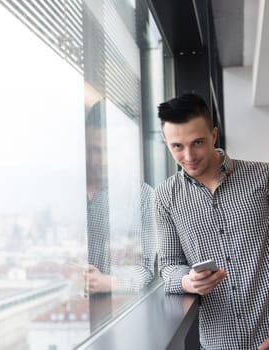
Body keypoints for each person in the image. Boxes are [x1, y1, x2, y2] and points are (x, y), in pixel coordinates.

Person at [155, 93, 269, 350]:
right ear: (165, 143)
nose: (189, 156)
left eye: (198, 142)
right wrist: (188, 281)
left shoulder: (267, 178)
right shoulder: (165, 197)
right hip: (219, 343)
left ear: (214, 135)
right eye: (177, 146)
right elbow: (169, 266)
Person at [84, 100, 157, 329]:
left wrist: (109, 282)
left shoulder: (142, 196)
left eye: (108, 150)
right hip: (74, 317)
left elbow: (147, 269)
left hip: (122, 316)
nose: (101, 161)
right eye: (94, 150)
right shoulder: (65, 194)